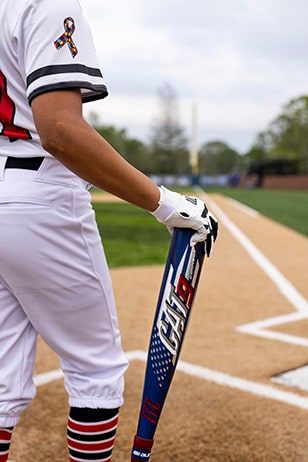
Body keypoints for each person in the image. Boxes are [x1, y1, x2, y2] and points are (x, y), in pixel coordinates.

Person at [0, 0, 218, 460]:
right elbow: (59, 129)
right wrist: (164, 202)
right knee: (95, 371)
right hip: (39, 195)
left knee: (1, 382)